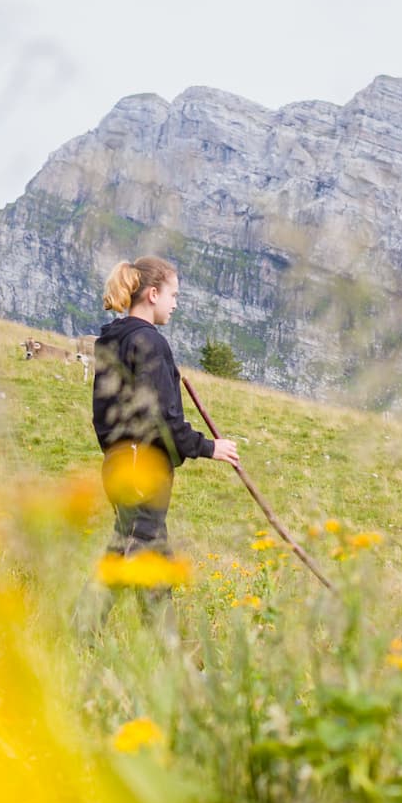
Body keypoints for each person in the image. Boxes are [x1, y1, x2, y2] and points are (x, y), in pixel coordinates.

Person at [85, 256, 239, 617]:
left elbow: (105, 415)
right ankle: (86, 633)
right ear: (153, 294)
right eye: (174, 294)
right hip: (144, 469)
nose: (175, 304)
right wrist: (208, 447)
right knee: (133, 555)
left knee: (143, 558)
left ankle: (164, 655)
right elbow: (164, 421)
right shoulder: (150, 342)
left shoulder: (112, 341)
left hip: (120, 464)